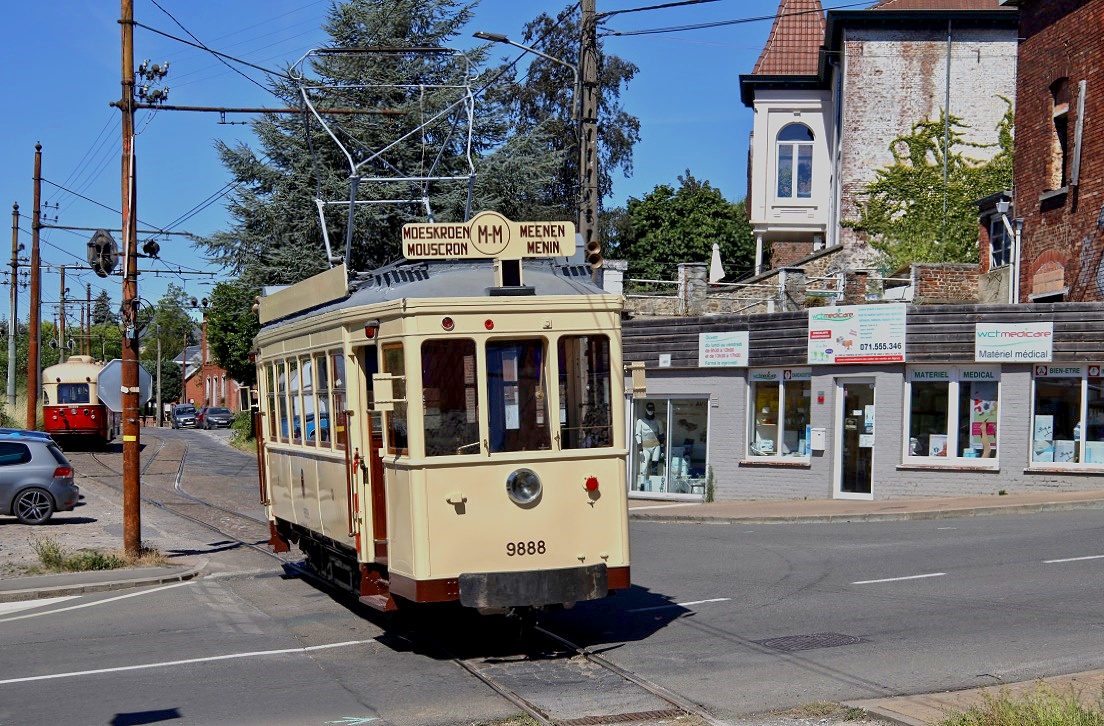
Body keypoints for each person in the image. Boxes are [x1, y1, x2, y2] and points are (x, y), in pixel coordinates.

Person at [635, 402, 664, 477]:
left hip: (656, 446)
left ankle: (654, 483)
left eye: (652, 410)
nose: (651, 411)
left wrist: (662, 449)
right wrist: (640, 448)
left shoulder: (658, 421)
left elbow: (661, 436)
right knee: (644, 467)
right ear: (646, 409)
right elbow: (638, 434)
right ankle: (642, 486)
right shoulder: (640, 421)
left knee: (655, 466)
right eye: (649, 409)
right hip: (645, 446)